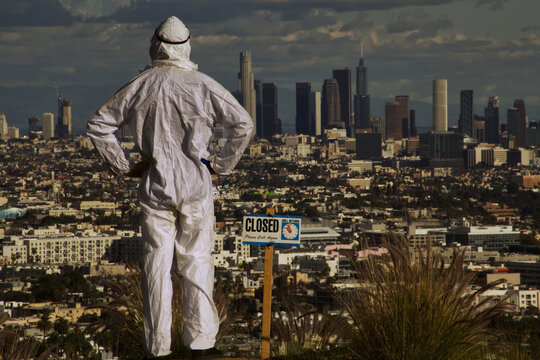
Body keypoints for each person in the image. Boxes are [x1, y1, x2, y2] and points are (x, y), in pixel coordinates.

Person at [87, 16, 253, 360]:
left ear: (155, 45)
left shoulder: (140, 85)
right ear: (187, 45)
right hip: (195, 183)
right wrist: (221, 164)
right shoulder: (204, 85)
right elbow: (243, 124)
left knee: (156, 266)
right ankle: (201, 344)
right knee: (197, 261)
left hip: (155, 184)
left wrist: (125, 166)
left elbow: (99, 125)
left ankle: (158, 348)